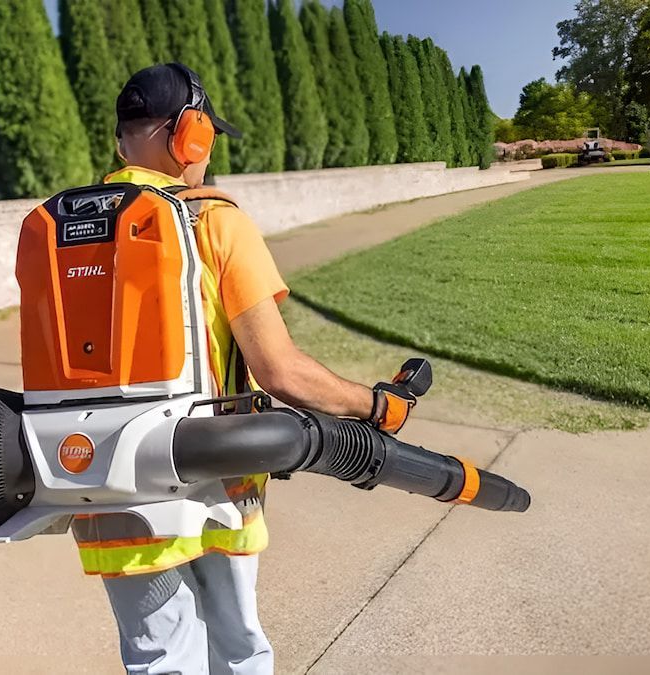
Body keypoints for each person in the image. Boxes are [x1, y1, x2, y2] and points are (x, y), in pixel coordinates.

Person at [73, 63, 416, 675]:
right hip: (213, 480)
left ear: (121, 137)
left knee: (157, 661)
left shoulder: (64, 229)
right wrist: (375, 406)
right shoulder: (213, 222)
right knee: (238, 649)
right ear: (191, 137)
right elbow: (281, 372)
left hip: (106, 482)